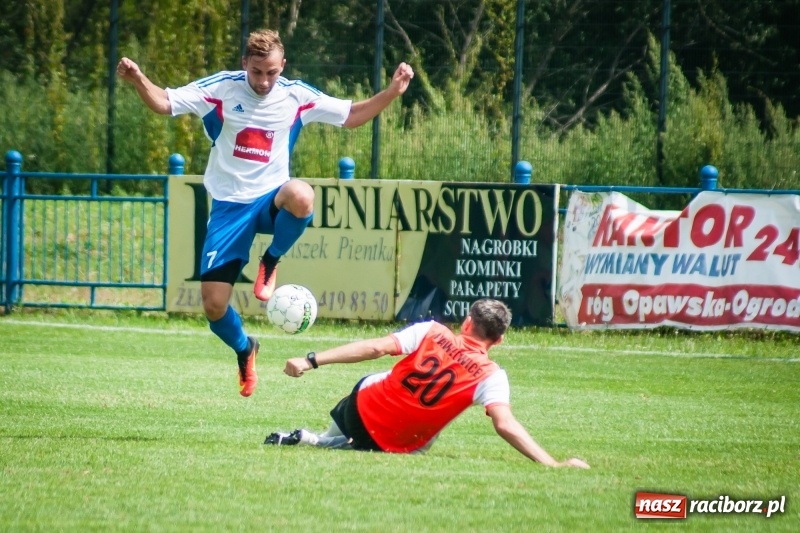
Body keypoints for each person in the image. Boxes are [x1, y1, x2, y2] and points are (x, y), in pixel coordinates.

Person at [117, 30, 414, 398]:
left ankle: (271, 259)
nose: (263, 81)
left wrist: (392, 92)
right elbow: (164, 103)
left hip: (271, 200)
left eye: (271, 72)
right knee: (213, 306)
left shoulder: (296, 95)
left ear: (282, 67)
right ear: (245, 64)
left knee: (302, 195)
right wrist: (138, 79)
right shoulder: (221, 90)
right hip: (229, 209)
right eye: (257, 72)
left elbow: (351, 115)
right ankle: (246, 348)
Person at [265, 299, 589, 468]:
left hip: (359, 410)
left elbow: (376, 348)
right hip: (399, 441)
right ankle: (315, 441)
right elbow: (505, 425)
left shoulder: (433, 331)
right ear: (500, 339)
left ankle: (320, 438)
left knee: (379, 378)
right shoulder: (492, 376)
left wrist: (311, 360)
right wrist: (553, 464)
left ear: (466, 323)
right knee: (426, 435)